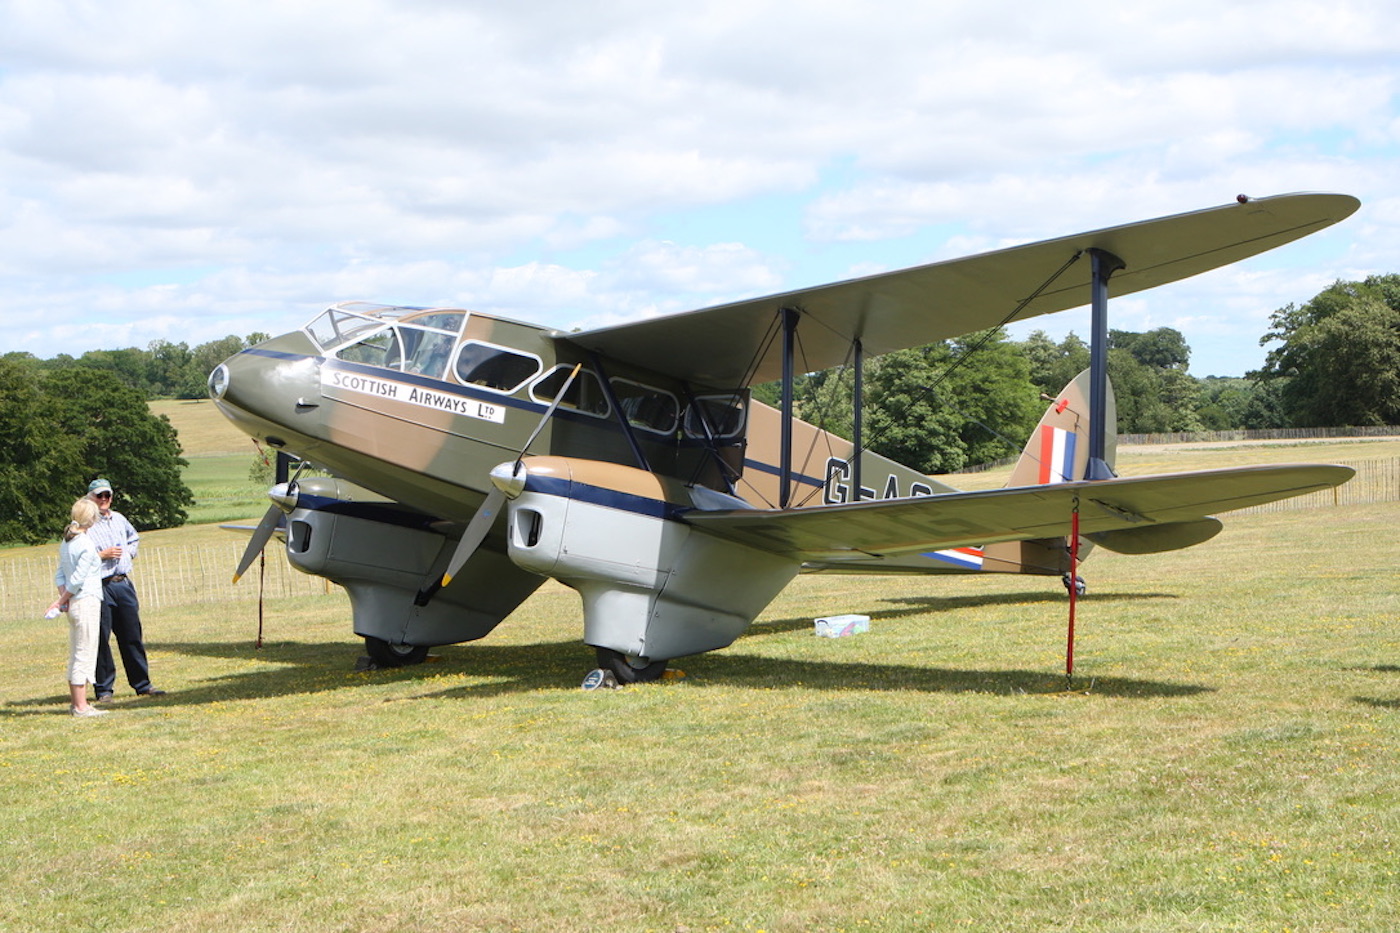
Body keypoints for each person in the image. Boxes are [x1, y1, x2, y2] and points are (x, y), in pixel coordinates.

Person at [85, 478, 165, 700]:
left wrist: (128, 554)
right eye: (99, 496)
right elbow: (76, 554)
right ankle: (104, 690)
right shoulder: (84, 524)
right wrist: (101, 556)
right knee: (101, 639)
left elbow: (133, 538)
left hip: (122, 583)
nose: (103, 499)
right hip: (99, 585)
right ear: (90, 498)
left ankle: (143, 684)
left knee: (132, 635)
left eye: (107, 495)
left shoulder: (119, 519)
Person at [54, 497, 107, 717]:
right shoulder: (84, 543)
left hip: (76, 603)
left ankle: (78, 703)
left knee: (78, 651)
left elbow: (60, 575)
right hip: (86, 601)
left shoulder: (67, 541)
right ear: (91, 519)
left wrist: (64, 598)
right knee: (84, 652)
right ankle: (80, 706)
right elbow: (77, 579)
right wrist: (61, 600)